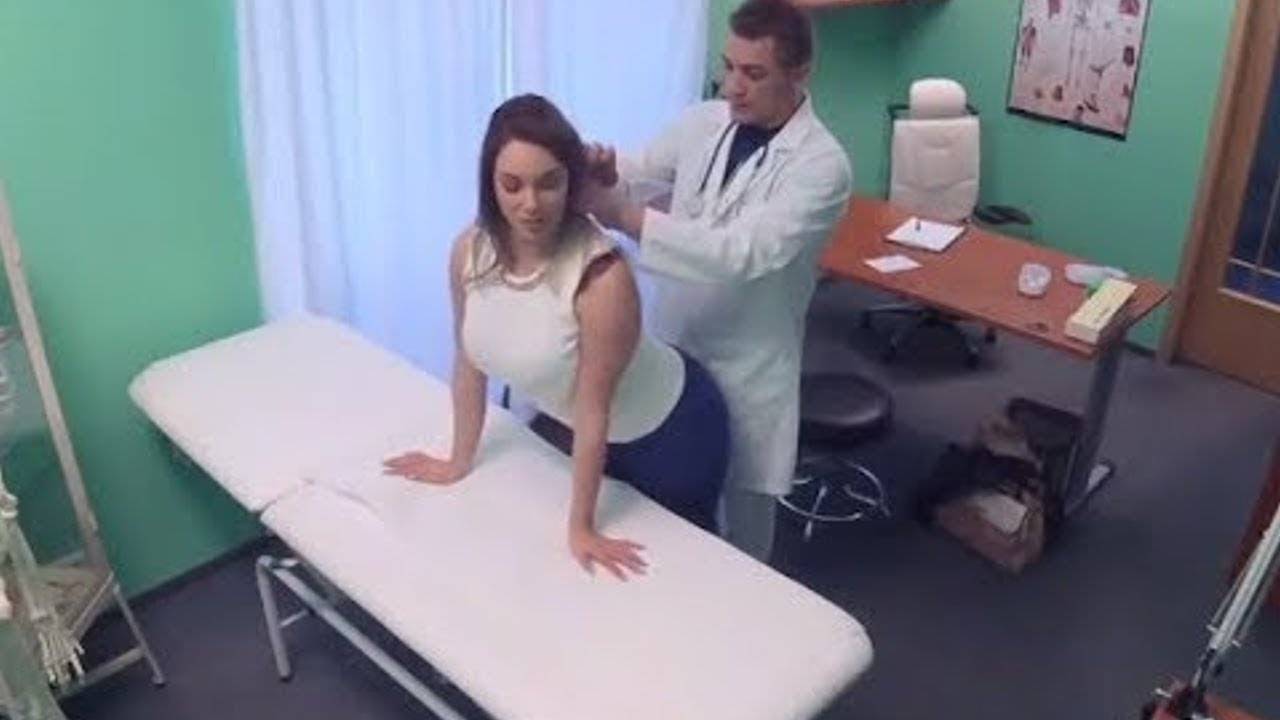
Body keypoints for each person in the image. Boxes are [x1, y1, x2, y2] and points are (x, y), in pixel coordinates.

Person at [384, 94, 728, 580]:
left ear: (571, 182)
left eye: (549, 183)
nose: (530, 204)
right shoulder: (469, 251)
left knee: (689, 578)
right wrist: (457, 461)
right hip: (585, 430)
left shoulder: (601, 276)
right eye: (512, 184)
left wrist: (581, 528)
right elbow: (468, 360)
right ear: (490, 184)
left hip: (670, 433)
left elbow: (594, 409)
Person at [581, 0, 853, 561]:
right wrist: (607, 171)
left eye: (754, 73)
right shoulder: (704, 121)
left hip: (747, 368)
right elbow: (643, 169)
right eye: (728, 67)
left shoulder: (822, 166)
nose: (733, 87)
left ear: (800, 74)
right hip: (674, 346)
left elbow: (742, 253)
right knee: (661, 505)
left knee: (743, 543)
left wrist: (625, 216)